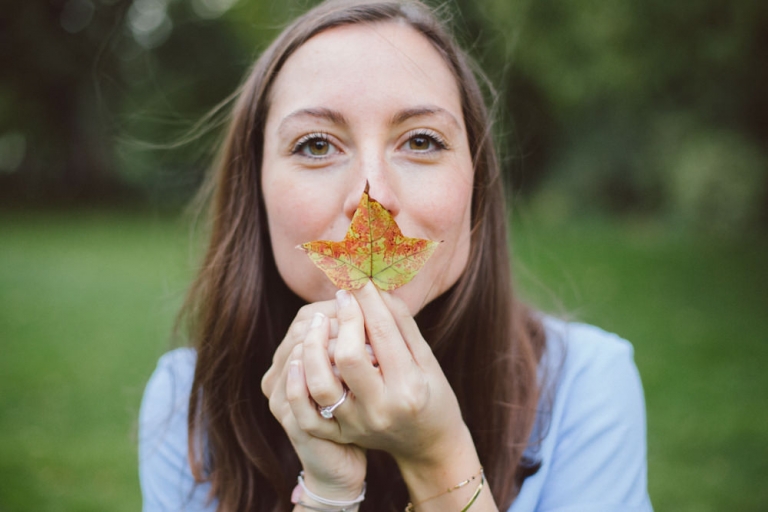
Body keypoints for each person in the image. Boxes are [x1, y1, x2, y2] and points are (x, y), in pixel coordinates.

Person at [138, 1, 653, 511]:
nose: (372, 196)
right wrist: (326, 494)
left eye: (422, 140)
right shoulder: (191, 407)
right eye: (316, 145)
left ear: (476, 183)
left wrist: (438, 457)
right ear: (256, 186)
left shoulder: (584, 386)